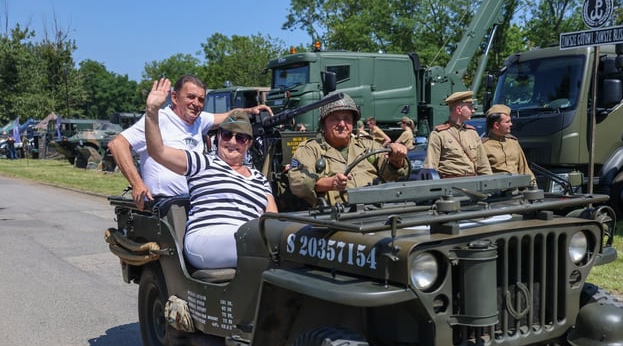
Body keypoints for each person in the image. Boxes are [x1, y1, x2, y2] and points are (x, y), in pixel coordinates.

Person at [143, 77, 278, 270]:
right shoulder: (203, 162)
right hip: (207, 238)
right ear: (218, 138)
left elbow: (272, 219)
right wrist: (151, 111)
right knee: (256, 243)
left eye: (240, 137)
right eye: (226, 135)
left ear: (248, 143)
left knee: (281, 240)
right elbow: (158, 151)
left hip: (250, 238)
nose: (232, 141)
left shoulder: (260, 179)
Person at [109, 74, 272, 210]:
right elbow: (117, 144)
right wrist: (137, 183)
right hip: (165, 204)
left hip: (194, 200)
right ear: (174, 97)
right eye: (191, 97)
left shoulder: (199, 120)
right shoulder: (158, 120)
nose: (196, 104)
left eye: (201, 99)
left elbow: (229, 115)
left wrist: (250, 111)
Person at [288, 94, 409, 208]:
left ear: (353, 123)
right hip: (333, 217)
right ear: (323, 124)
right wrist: (329, 183)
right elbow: (298, 183)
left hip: (375, 213)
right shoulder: (310, 149)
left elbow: (392, 175)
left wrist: (397, 160)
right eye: (335, 119)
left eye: (347, 119)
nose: (342, 124)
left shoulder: (368, 146)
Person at [422, 91, 491, 178]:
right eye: (470, 107)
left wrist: (489, 184)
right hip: (450, 185)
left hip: (472, 183)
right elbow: (430, 167)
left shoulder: (472, 133)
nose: (473, 110)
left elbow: (483, 165)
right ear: (459, 110)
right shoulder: (439, 134)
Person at [482, 104, 535, 183]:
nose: (511, 124)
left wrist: (533, 184)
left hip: (518, 189)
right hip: (497, 191)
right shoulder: (483, 146)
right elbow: (482, 173)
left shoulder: (513, 142)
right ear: (496, 125)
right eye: (507, 122)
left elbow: (524, 168)